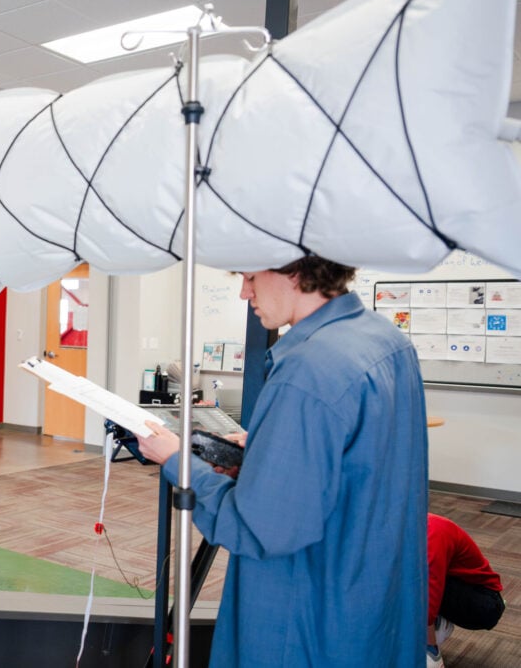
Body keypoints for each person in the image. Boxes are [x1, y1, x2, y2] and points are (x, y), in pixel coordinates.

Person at [139, 256, 428, 666]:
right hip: (373, 598)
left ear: (294, 270)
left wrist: (177, 461)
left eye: (250, 277)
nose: (244, 292)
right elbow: (358, 457)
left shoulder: (308, 369)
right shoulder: (386, 339)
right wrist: (269, 447)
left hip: (306, 618)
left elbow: (257, 530)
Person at [426, 513, 505, 668]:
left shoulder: (432, 532)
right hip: (451, 583)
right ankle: (437, 622)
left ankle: (430, 649)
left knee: (412, 582)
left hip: (484, 602)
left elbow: (426, 599)